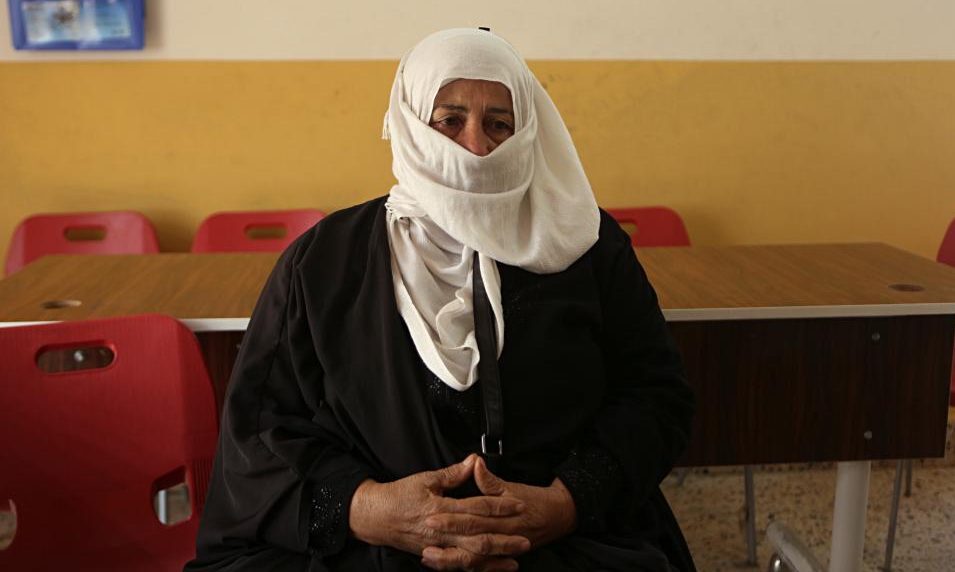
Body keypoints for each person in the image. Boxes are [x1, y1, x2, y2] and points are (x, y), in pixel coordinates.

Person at [186, 28, 696, 572]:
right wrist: (368, 509)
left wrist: (566, 503)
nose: (475, 147)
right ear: (409, 125)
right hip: (371, 550)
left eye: (499, 123)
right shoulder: (325, 260)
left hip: (559, 543)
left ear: (527, 130)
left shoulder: (587, 247)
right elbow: (261, 427)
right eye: (450, 120)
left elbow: (655, 395)